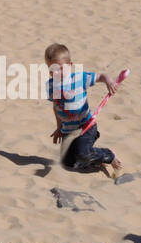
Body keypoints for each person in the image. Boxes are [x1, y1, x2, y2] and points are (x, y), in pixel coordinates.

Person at [45, 43, 123, 177]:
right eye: (52, 69)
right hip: (68, 130)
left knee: (82, 154)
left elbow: (101, 76)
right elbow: (56, 106)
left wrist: (109, 81)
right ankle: (94, 158)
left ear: (70, 65)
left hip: (86, 125)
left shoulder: (79, 78)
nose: (56, 73)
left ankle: (108, 155)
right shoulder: (52, 86)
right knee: (68, 163)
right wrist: (59, 127)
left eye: (60, 68)